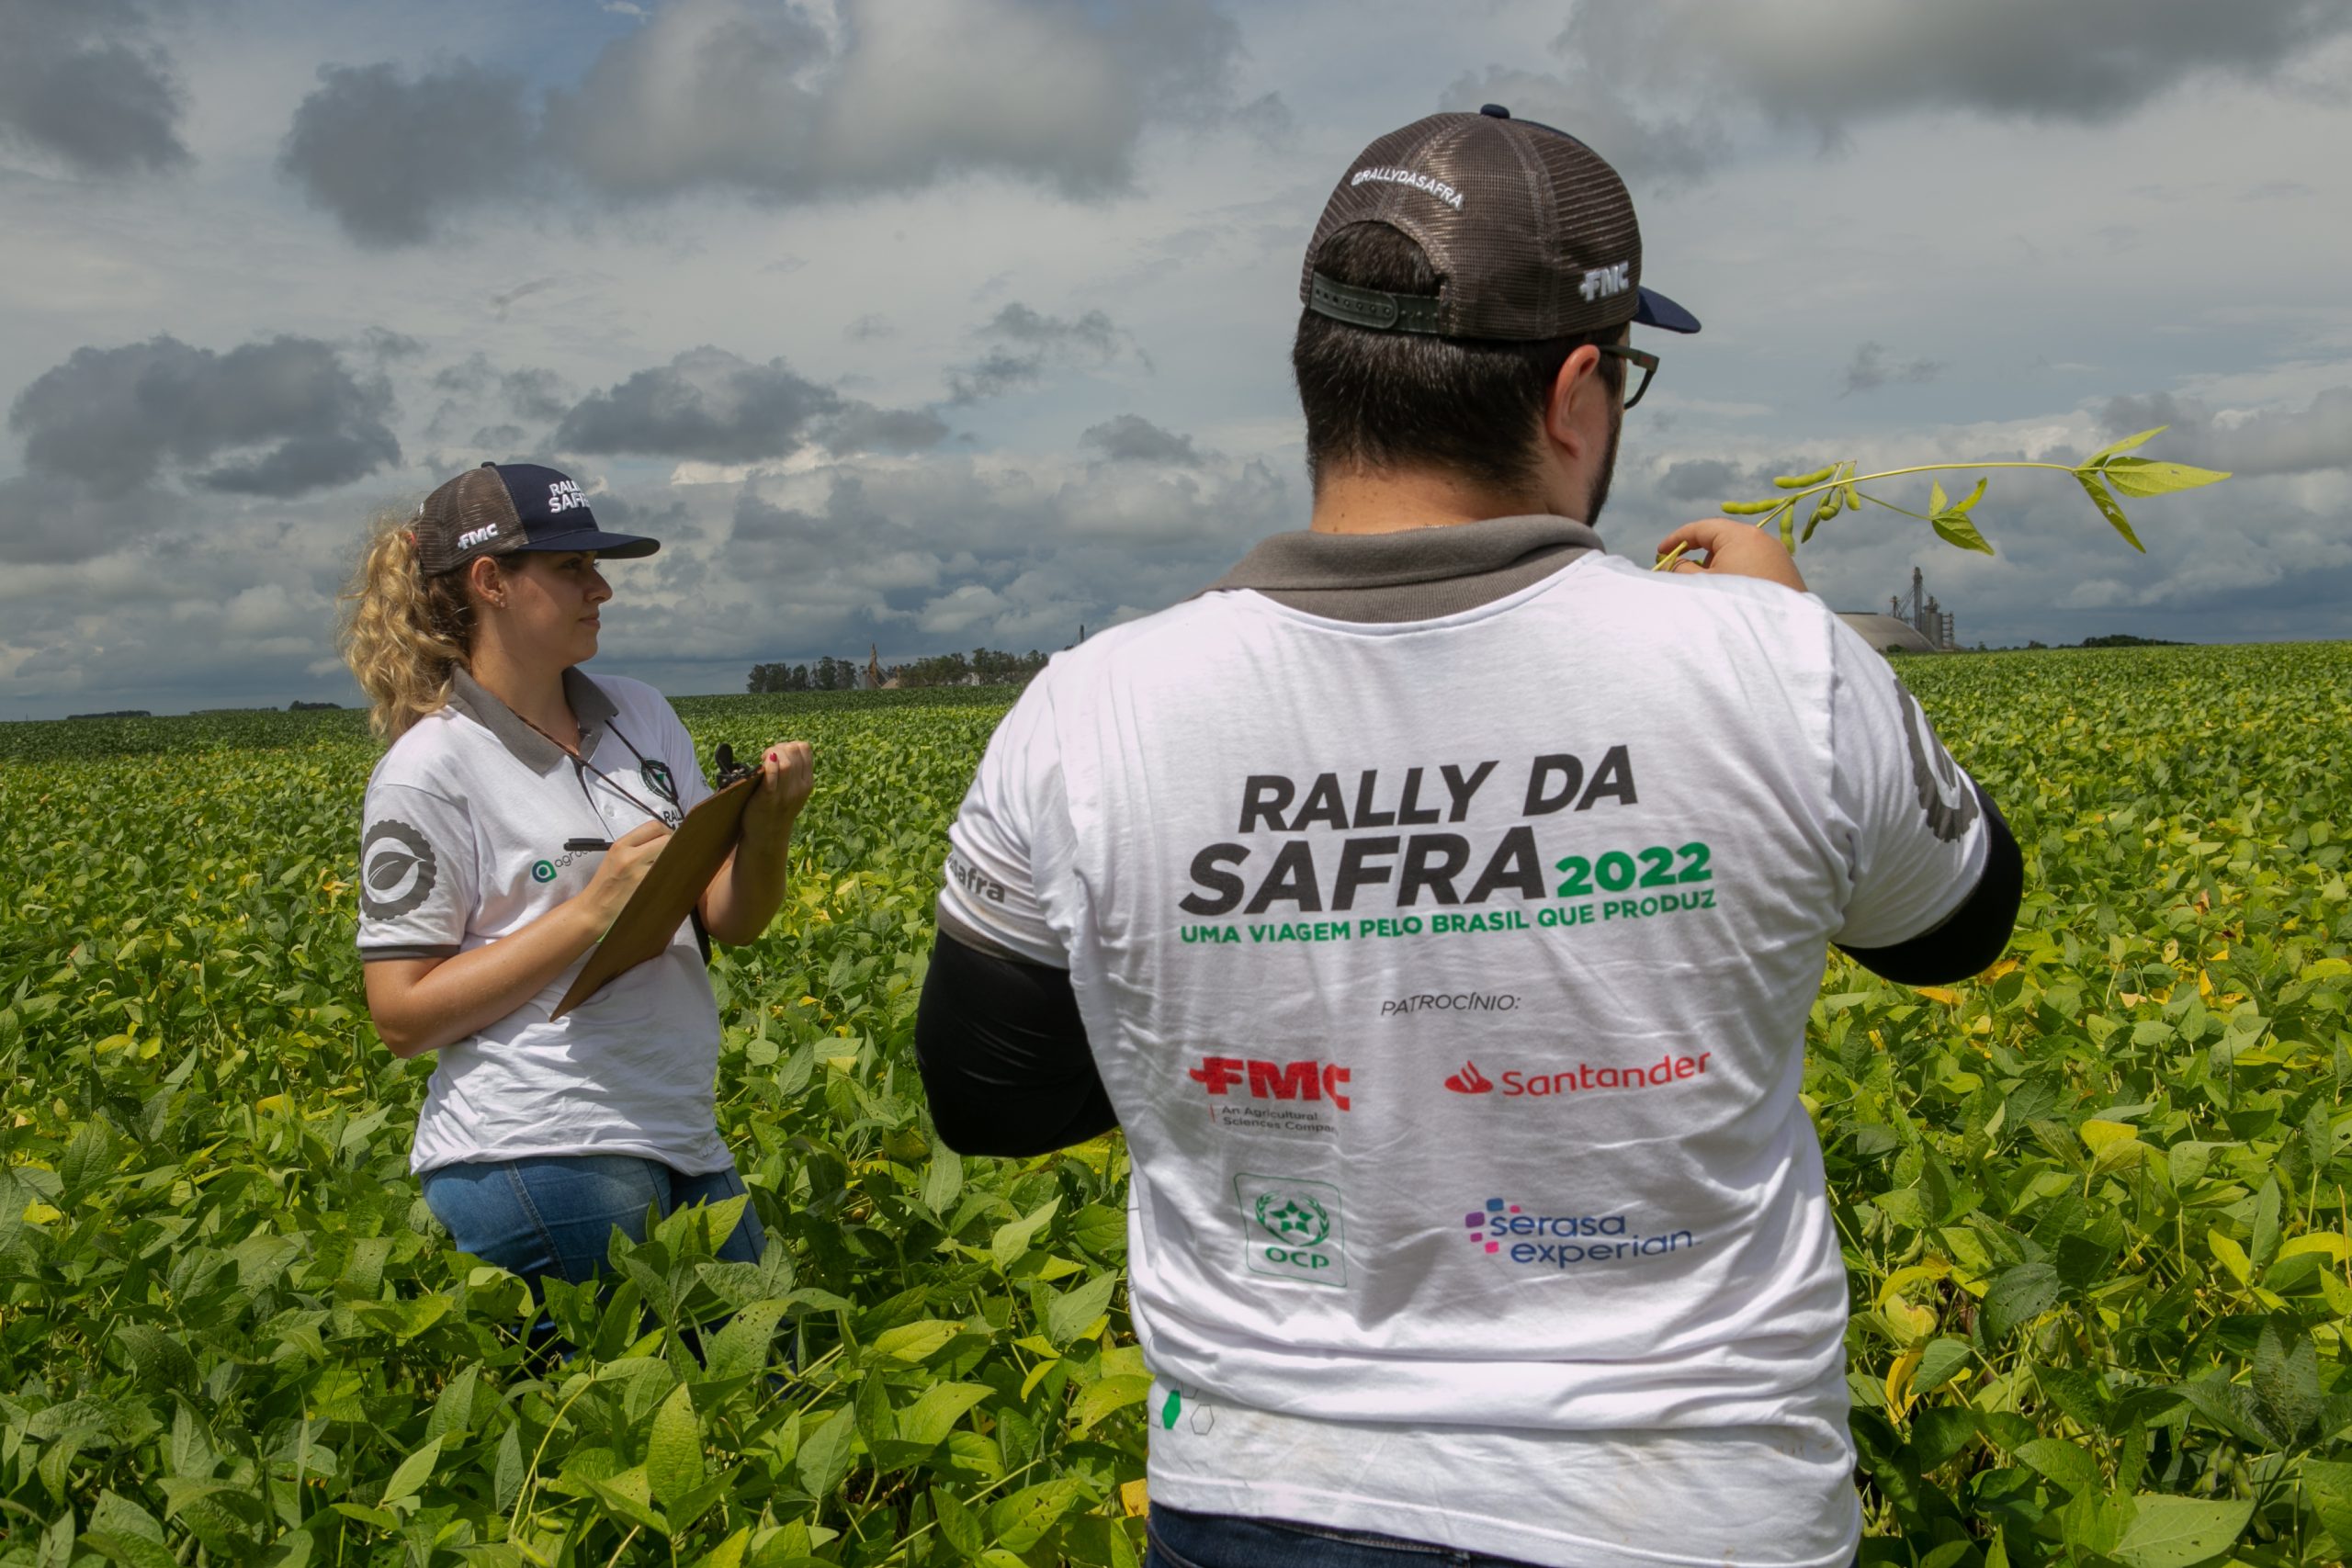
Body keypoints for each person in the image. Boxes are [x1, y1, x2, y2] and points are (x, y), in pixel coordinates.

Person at [912, 107, 2022, 1568]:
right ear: (1577, 393)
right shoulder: (1779, 665)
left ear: (1322, 373)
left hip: (1265, 1488)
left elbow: (989, 1095)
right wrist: (1785, 624)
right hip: (1685, 1506)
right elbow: (1954, 928)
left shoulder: (1089, 705)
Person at [340, 459, 814, 1292]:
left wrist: (768, 827)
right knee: (667, 1371)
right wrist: (590, 911)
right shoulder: (430, 768)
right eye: (572, 567)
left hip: (676, 1127)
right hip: (538, 1140)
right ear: (490, 581)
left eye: (596, 565)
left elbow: (730, 919)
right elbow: (402, 1015)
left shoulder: (640, 714)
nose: (602, 588)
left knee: (765, 1356)